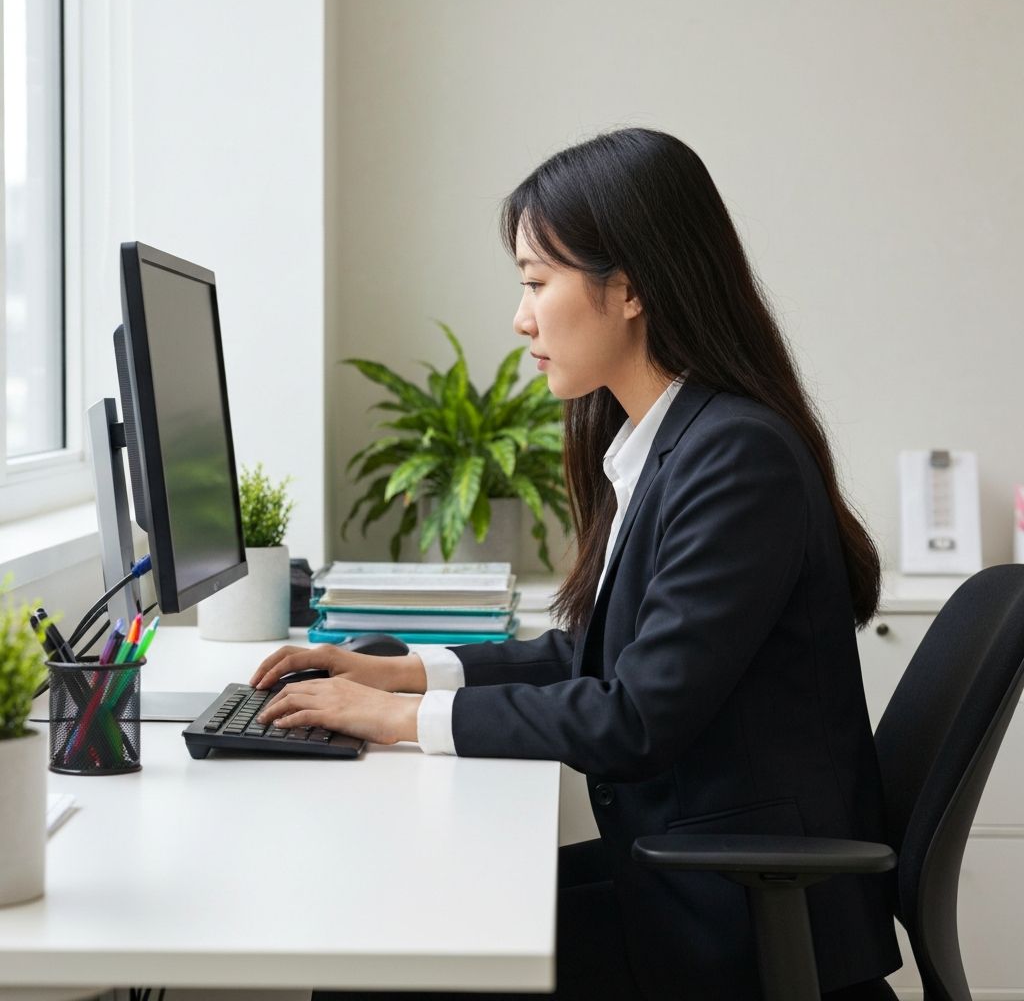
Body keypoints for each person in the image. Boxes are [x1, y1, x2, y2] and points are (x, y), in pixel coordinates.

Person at [250, 128, 902, 1001]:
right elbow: (592, 655)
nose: (522, 318)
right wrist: (397, 673)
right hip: (685, 878)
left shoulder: (736, 457)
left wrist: (394, 720)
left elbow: (635, 716)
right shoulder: (667, 445)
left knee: (376, 963)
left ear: (628, 288)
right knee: (387, 929)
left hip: (729, 922)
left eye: (535, 282)